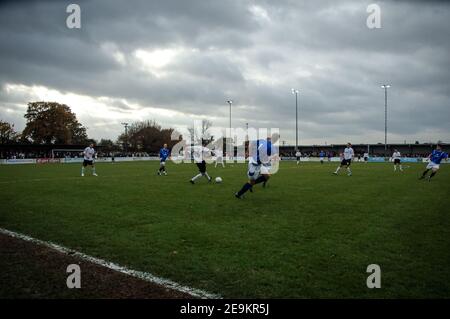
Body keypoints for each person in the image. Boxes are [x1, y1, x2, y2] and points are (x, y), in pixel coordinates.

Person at [235, 134, 277, 199]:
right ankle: (239, 194)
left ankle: (250, 185)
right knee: (252, 181)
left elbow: (251, 144)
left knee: (267, 176)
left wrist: (248, 153)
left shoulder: (262, 141)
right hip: (255, 164)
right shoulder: (270, 147)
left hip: (255, 162)